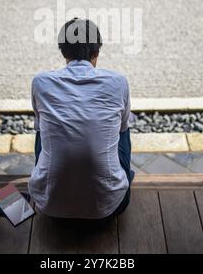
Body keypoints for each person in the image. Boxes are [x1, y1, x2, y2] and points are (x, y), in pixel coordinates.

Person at [28, 18, 135, 219]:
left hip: (49, 205)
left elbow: (41, 129)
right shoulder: (118, 82)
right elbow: (122, 130)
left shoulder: (41, 82)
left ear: (63, 51)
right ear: (97, 53)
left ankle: (46, 178)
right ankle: (124, 176)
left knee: (42, 130)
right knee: (124, 129)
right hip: (110, 206)